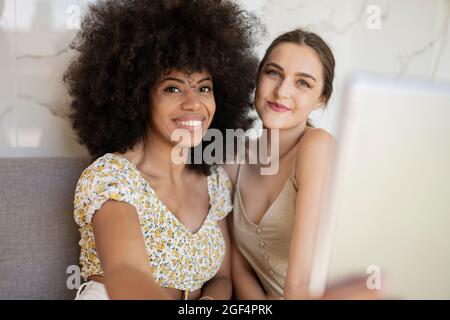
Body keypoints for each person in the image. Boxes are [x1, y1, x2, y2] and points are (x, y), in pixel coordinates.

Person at [64, 0, 259, 300]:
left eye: (204, 87)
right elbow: (126, 276)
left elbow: (221, 277)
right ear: (138, 97)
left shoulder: (215, 181)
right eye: (173, 88)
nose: (194, 103)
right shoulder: (111, 177)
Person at [224, 28, 378, 300]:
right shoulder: (234, 159)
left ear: (320, 99)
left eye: (303, 83)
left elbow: (301, 282)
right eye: (273, 73)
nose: (282, 91)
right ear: (257, 78)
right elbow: (240, 270)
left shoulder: (317, 147)